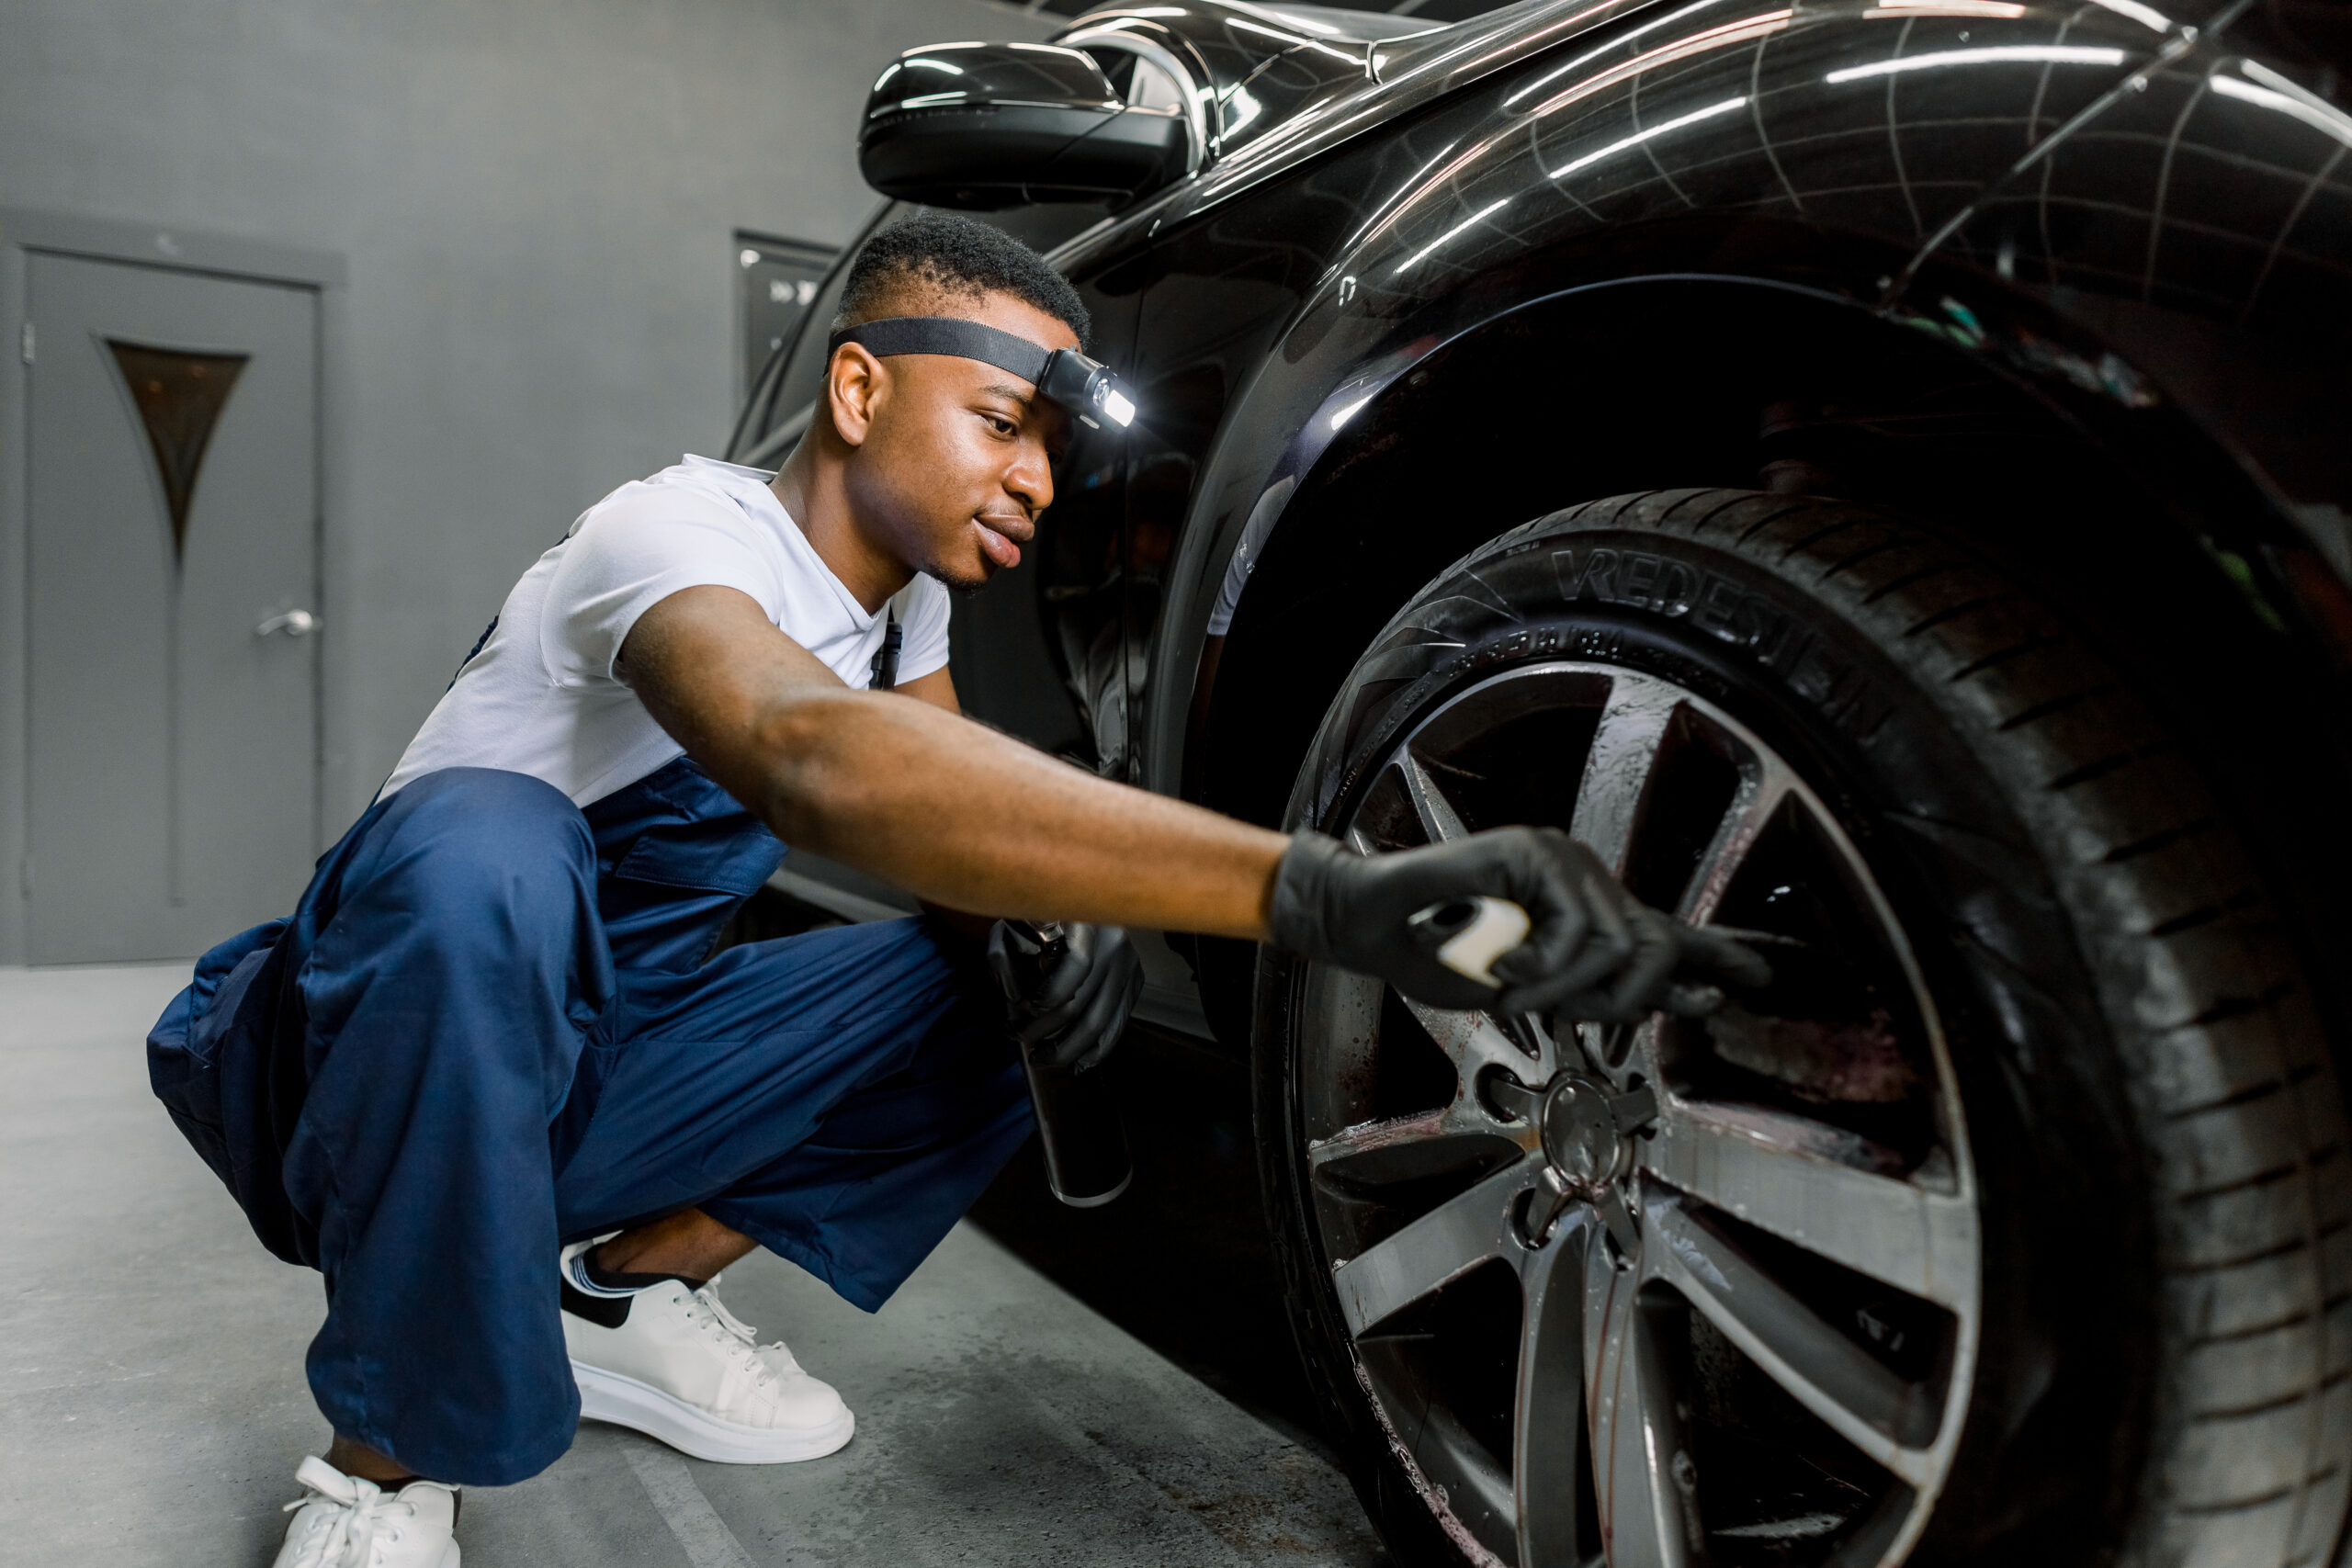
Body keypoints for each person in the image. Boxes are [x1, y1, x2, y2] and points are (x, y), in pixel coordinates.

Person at [147, 211, 1764, 1568]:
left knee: (1031, 945)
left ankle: (618, 1296)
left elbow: (953, 832)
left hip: (589, 1064)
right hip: (351, 1069)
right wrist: (1330, 892)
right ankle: (375, 1465)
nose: (1040, 481)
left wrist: (1069, 936)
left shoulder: (900, 620)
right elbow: (808, 757)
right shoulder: (672, 529)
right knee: (485, 848)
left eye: (1053, 448)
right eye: (1004, 427)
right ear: (858, 389)